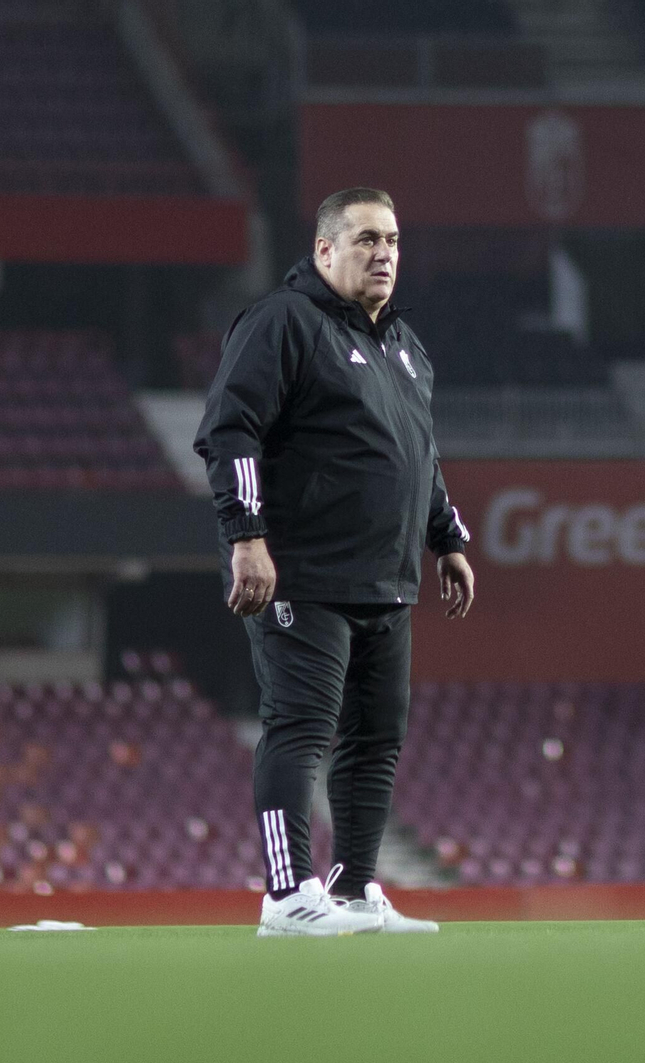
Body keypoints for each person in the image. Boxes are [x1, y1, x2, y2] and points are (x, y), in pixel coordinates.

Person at [194, 187, 475, 936]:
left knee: (377, 739)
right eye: (364, 239)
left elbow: (420, 452)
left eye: (391, 239)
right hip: (303, 572)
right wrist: (246, 537)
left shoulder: (406, 347)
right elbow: (230, 431)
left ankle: (353, 890)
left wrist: (447, 537)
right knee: (301, 726)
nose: (383, 252)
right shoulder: (282, 322)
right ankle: (287, 895)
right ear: (323, 251)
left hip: (386, 581)